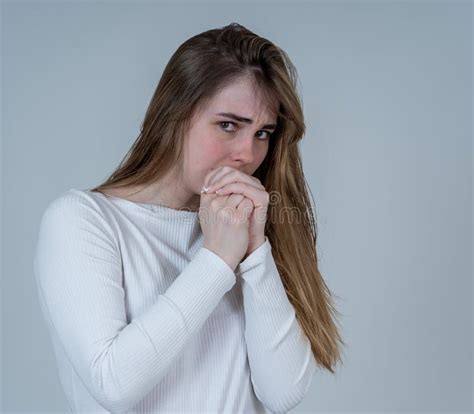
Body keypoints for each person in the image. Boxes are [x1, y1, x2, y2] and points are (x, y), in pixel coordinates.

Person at [33, 22, 345, 413]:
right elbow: (113, 382)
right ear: (174, 116)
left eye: (263, 133)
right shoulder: (83, 221)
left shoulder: (243, 230)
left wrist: (254, 251)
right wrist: (216, 261)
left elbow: (282, 394)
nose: (247, 155)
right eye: (228, 125)